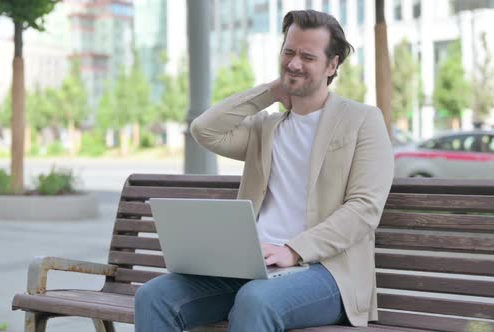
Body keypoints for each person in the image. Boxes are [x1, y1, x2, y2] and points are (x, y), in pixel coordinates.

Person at [135, 9, 393, 332]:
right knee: (154, 296)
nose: (294, 63)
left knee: (256, 300)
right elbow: (204, 130)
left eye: (308, 57)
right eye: (289, 52)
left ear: (332, 65)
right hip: (252, 266)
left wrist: (294, 250)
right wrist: (269, 93)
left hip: (327, 272)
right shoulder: (265, 129)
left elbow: (364, 209)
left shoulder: (363, 121)